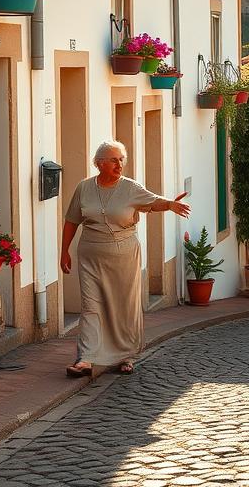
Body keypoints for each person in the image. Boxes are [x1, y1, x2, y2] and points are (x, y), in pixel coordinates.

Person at [61, 140, 190, 377]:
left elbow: (153, 201)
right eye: (113, 159)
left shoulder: (130, 188)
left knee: (123, 305)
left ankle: (125, 355)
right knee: (91, 306)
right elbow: (72, 220)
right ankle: (86, 358)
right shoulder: (84, 188)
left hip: (124, 256)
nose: (119, 164)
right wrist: (64, 251)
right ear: (99, 163)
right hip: (90, 254)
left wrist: (170, 204)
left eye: (121, 159)